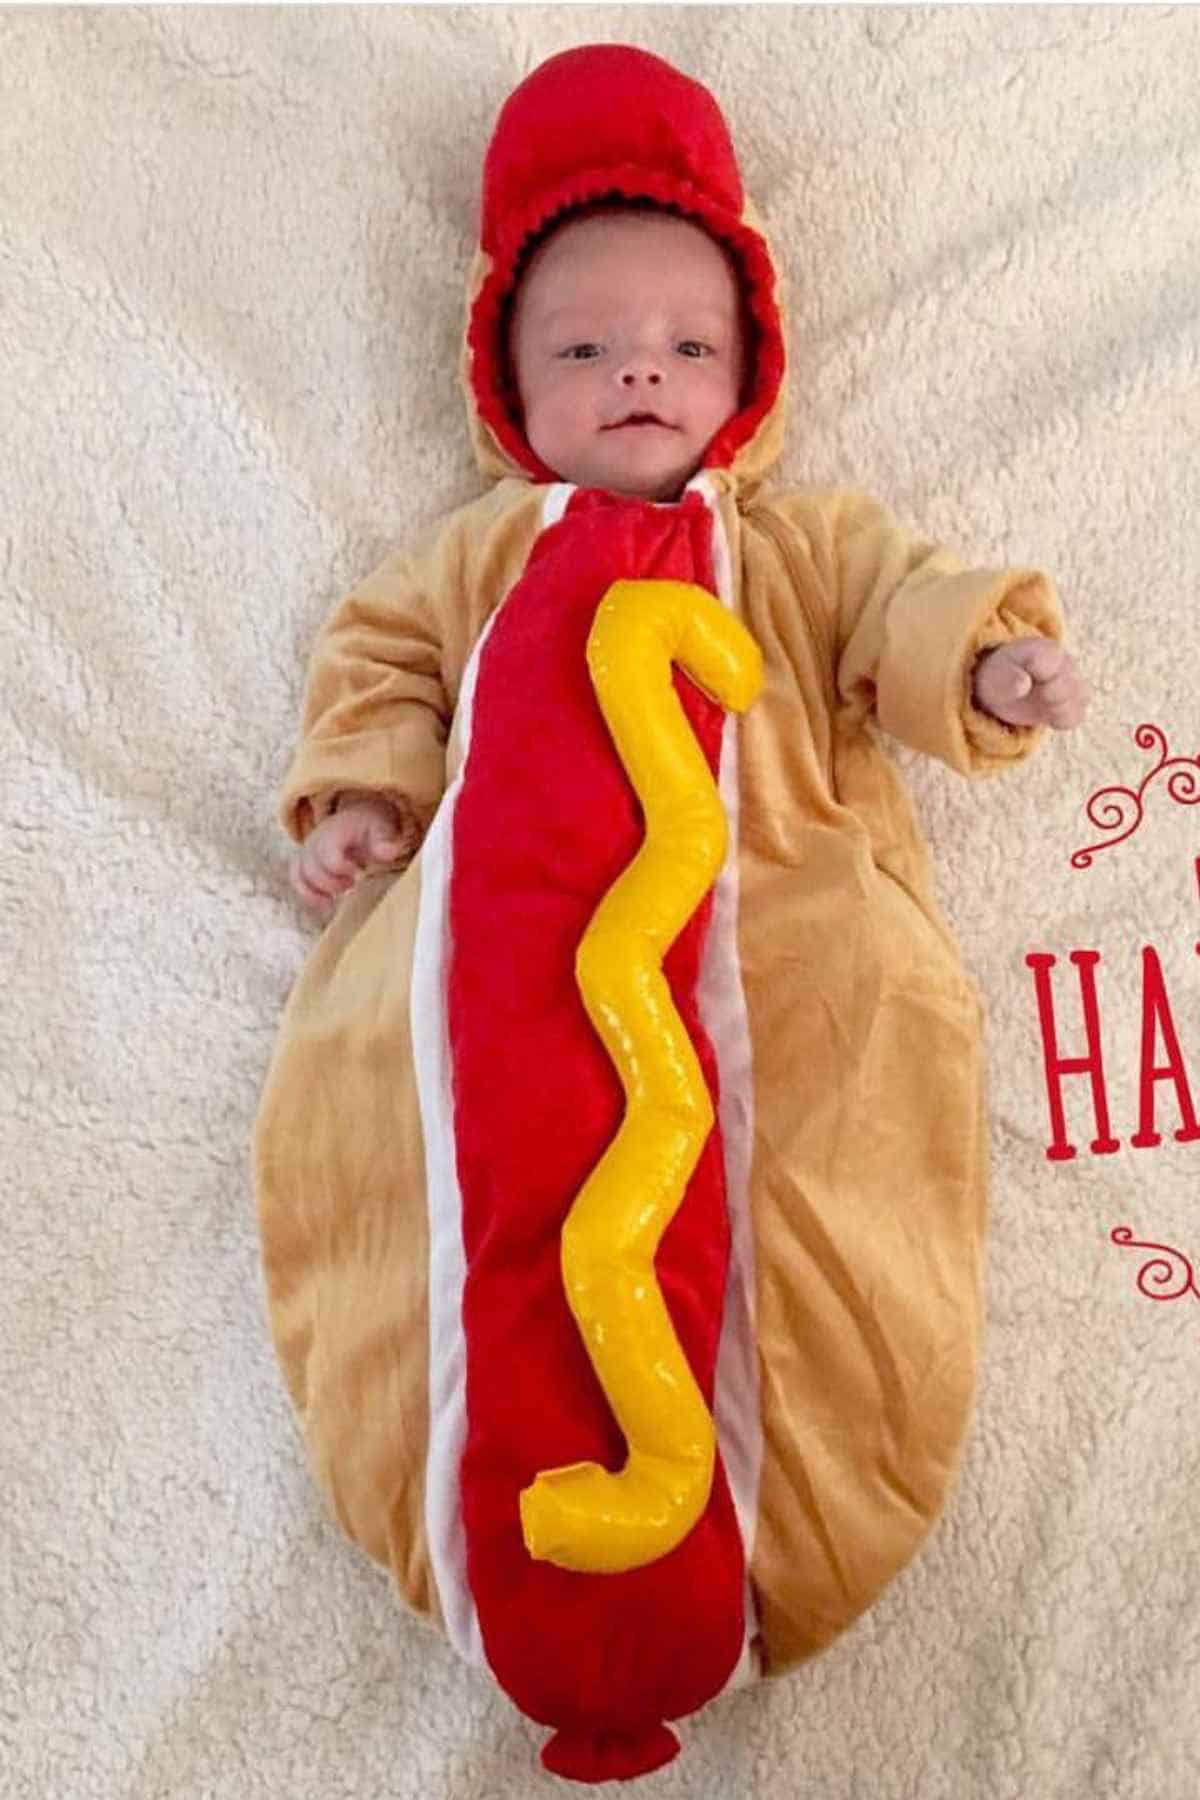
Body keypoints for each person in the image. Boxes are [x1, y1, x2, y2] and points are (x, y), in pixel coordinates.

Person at [255, 43, 1087, 1783]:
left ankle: (780, 1512)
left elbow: (900, 604)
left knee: (827, 1158)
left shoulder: (789, 553)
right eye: (585, 345)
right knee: (470, 1175)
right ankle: (497, 1504)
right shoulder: (473, 567)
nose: (640, 367)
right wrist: (363, 796)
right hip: (508, 970)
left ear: (750, 377)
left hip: (778, 949)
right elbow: (381, 668)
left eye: (686, 345)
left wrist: (984, 659)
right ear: (507, 386)